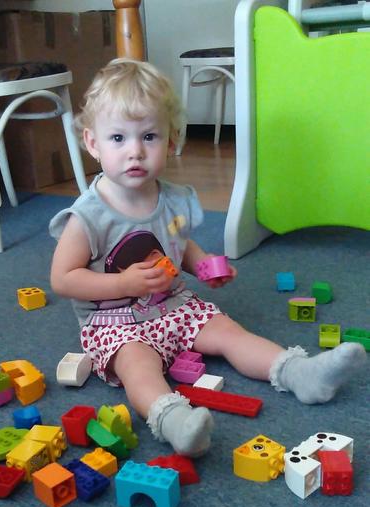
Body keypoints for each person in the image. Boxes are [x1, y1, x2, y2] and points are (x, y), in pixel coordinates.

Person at [49, 59, 366, 457]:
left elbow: (178, 244)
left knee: (230, 333)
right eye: (118, 138)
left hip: (174, 305)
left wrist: (202, 265)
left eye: (149, 136)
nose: (135, 151)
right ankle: (174, 421)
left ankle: (301, 373)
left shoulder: (171, 198)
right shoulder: (88, 216)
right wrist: (123, 283)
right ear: (93, 143)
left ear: (171, 141)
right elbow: (63, 279)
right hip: (116, 323)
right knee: (137, 367)